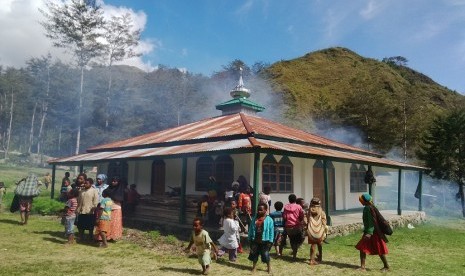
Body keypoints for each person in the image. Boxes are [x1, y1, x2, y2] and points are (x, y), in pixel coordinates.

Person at [355, 193, 389, 272]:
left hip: (372, 233)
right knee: (363, 248)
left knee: (378, 249)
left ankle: (386, 266)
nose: (360, 201)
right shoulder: (371, 207)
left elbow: (371, 221)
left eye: (361, 200)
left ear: (365, 201)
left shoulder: (368, 208)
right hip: (372, 231)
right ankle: (363, 267)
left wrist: (369, 233)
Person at [248, 203, 274, 274]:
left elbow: (271, 231)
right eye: (258, 210)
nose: (259, 211)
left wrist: (271, 241)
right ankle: (254, 267)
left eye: (261, 210)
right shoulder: (254, 218)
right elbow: (251, 228)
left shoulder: (269, 220)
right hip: (255, 240)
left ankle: (269, 267)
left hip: (265, 241)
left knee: (265, 254)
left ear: (265, 210)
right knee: (254, 254)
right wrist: (249, 238)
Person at [76, 177, 99, 242]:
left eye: (87, 183)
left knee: (90, 227)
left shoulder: (94, 191)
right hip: (81, 211)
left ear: (91, 184)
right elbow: (79, 200)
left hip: (90, 212)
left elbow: (96, 201)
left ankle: (90, 238)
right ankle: (81, 238)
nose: (85, 184)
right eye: (85, 183)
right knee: (80, 226)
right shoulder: (81, 191)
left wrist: (93, 208)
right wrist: (77, 209)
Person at [282, 193, 305, 259]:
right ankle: (295, 252)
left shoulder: (286, 207)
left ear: (289, 200)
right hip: (296, 226)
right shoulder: (298, 207)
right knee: (300, 238)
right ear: (295, 199)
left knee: (292, 240)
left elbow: (284, 216)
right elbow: (301, 216)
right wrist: (300, 221)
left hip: (288, 226)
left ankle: (294, 252)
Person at [306, 197, 327, 265]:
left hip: (311, 230)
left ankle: (312, 259)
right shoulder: (321, 211)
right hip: (320, 230)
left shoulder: (309, 211)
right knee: (319, 244)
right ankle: (320, 257)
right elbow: (324, 221)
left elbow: (307, 220)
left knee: (313, 244)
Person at [105, 176, 125, 241]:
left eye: (115, 181)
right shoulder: (109, 187)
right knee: (108, 222)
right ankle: (107, 236)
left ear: (118, 182)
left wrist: (111, 195)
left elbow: (119, 198)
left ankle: (114, 237)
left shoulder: (121, 189)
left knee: (115, 223)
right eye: (112, 181)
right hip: (108, 207)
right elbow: (104, 193)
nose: (113, 182)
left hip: (116, 208)